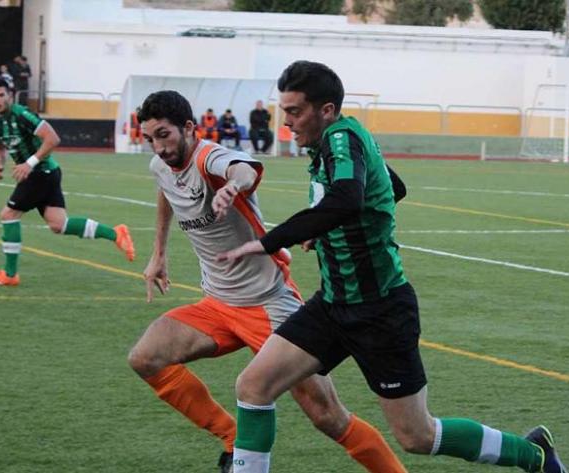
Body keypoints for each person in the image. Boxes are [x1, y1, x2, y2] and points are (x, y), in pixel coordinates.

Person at [217, 61, 568, 473]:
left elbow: (347, 198)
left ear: (326, 110)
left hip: (379, 310)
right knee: (254, 385)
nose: (287, 122)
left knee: (417, 436)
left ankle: (535, 456)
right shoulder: (341, 139)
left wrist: (268, 241)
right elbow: (390, 188)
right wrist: (326, 227)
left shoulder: (342, 139)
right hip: (333, 304)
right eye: (284, 110)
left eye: (294, 112)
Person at [128, 90, 408, 473]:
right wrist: (158, 252)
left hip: (268, 306)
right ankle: (231, 437)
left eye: (164, 135)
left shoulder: (210, 158)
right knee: (145, 357)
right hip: (217, 305)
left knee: (328, 417)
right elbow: (167, 191)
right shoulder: (161, 165)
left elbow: (244, 169)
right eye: (150, 139)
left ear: (189, 128)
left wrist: (232, 186)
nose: (158, 147)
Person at [0, 79, 135, 286]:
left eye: (1, 95)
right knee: (59, 225)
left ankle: (9, 275)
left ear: (10, 95)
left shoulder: (22, 114)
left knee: (8, 215)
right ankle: (115, 233)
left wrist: (29, 163)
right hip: (47, 173)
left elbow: (52, 138)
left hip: (40, 173)